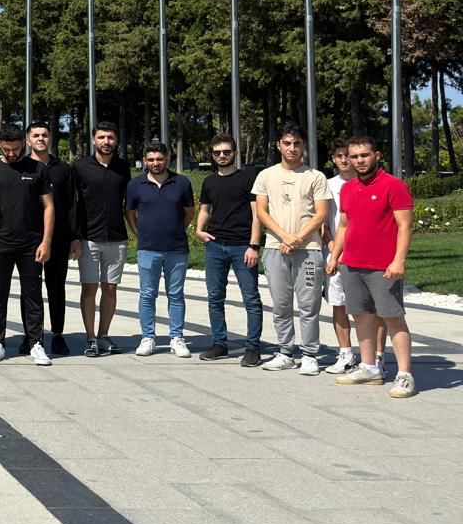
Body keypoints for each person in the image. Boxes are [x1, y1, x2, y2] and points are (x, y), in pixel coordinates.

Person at [330, 136, 416, 398]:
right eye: (354, 156)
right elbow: (344, 225)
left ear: (376, 155)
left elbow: (405, 226)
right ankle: (369, 366)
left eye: (364, 155)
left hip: (383, 267)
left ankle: (404, 374)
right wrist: (335, 256)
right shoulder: (348, 188)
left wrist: (398, 259)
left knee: (392, 318)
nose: (359, 161)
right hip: (352, 264)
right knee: (362, 316)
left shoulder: (394, 186)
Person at [253, 124, 332, 374]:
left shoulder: (315, 176)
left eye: (297, 143)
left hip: (308, 249)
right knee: (281, 304)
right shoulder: (266, 175)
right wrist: (286, 237)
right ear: (278, 145)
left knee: (309, 305)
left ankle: (309, 354)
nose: (292, 148)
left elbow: (321, 214)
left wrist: (297, 238)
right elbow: (261, 212)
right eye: (287, 143)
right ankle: (285, 351)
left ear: (303, 146)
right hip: (276, 247)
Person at [0, 123, 55, 365]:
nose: (11, 153)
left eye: (15, 148)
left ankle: (35, 343)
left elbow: (49, 207)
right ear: (0, 144)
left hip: (31, 244)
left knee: (32, 295)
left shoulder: (39, 169)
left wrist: (46, 241)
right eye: (7, 149)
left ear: (23, 143)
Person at [194, 132, 265, 365]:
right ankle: (219, 344)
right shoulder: (209, 181)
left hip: (242, 246)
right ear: (212, 155)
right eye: (217, 153)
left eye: (227, 152)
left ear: (235, 153)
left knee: (251, 299)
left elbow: (257, 215)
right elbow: (205, 209)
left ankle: (253, 348)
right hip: (215, 246)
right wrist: (199, 230)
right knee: (215, 298)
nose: (222, 156)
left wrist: (254, 245)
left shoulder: (247, 179)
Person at [126, 140, 195, 358]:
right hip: (148, 249)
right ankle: (148, 337)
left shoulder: (181, 183)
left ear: (168, 160)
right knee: (147, 294)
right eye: (152, 160)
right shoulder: (135, 185)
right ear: (145, 161)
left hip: (177, 248)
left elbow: (189, 212)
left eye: (160, 159)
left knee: (175, 294)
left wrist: (177, 230)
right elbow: (130, 213)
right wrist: (140, 234)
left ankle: (177, 337)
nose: (156, 163)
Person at [72, 121, 132, 357]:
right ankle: (90, 338)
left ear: (116, 141)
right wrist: (74, 237)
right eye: (102, 137)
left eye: (110, 137)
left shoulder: (122, 167)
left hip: (117, 238)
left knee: (110, 288)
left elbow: (129, 203)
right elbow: (72, 204)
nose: (106, 142)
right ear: (94, 140)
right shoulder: (80, 167)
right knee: (89, 288)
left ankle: (104, 334)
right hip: (88, 238)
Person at [27, 123, 75, 355]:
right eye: (35, 135)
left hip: (59, 238)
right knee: (31, 289)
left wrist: (75, 237)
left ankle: (57, 333)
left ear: (51, 139)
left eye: (45, 135)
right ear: (28, 140)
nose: (40, 139)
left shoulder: (64, 169)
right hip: (29, 237)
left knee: (56, 287)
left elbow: (71, 205)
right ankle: (32, 335)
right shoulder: (24, 168)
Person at [322, 138, 366, 375]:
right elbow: (322, 221)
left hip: (363, 253)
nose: (344, 159)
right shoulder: (327, 185)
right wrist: (333, 250)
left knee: (365, 308)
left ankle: (372, 357)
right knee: (338, 304)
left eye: (347, 155)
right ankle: (345, 353)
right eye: (339, 155)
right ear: (334, 159)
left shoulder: (366, 183)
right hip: (334, 254)